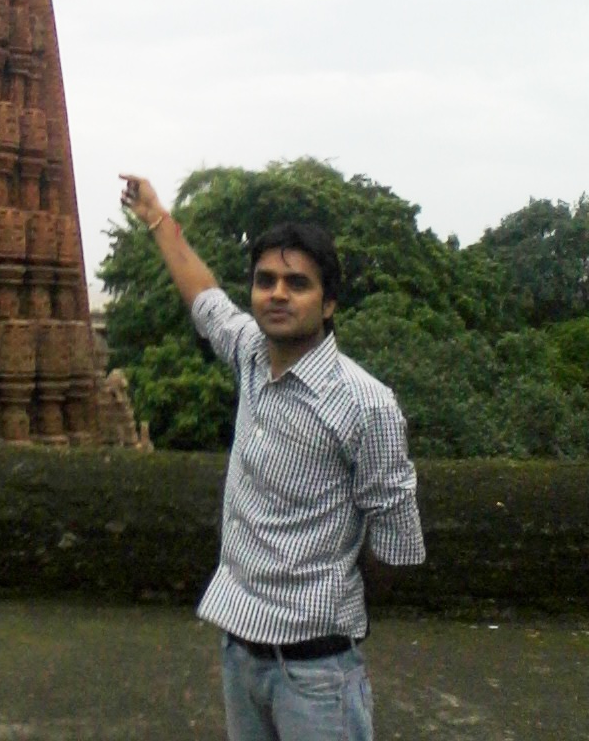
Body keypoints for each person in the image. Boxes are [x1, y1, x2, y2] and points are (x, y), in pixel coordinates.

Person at [119, 174, 425, 741]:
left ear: (328, 301)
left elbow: (395, 545)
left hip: (317, 673)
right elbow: (204, 298)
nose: (278, 293)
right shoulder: (252, 357)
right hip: (240, 654)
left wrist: (329, 605)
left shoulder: (365, 403)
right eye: (266, 281)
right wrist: (157, 218)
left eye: (297, 283)